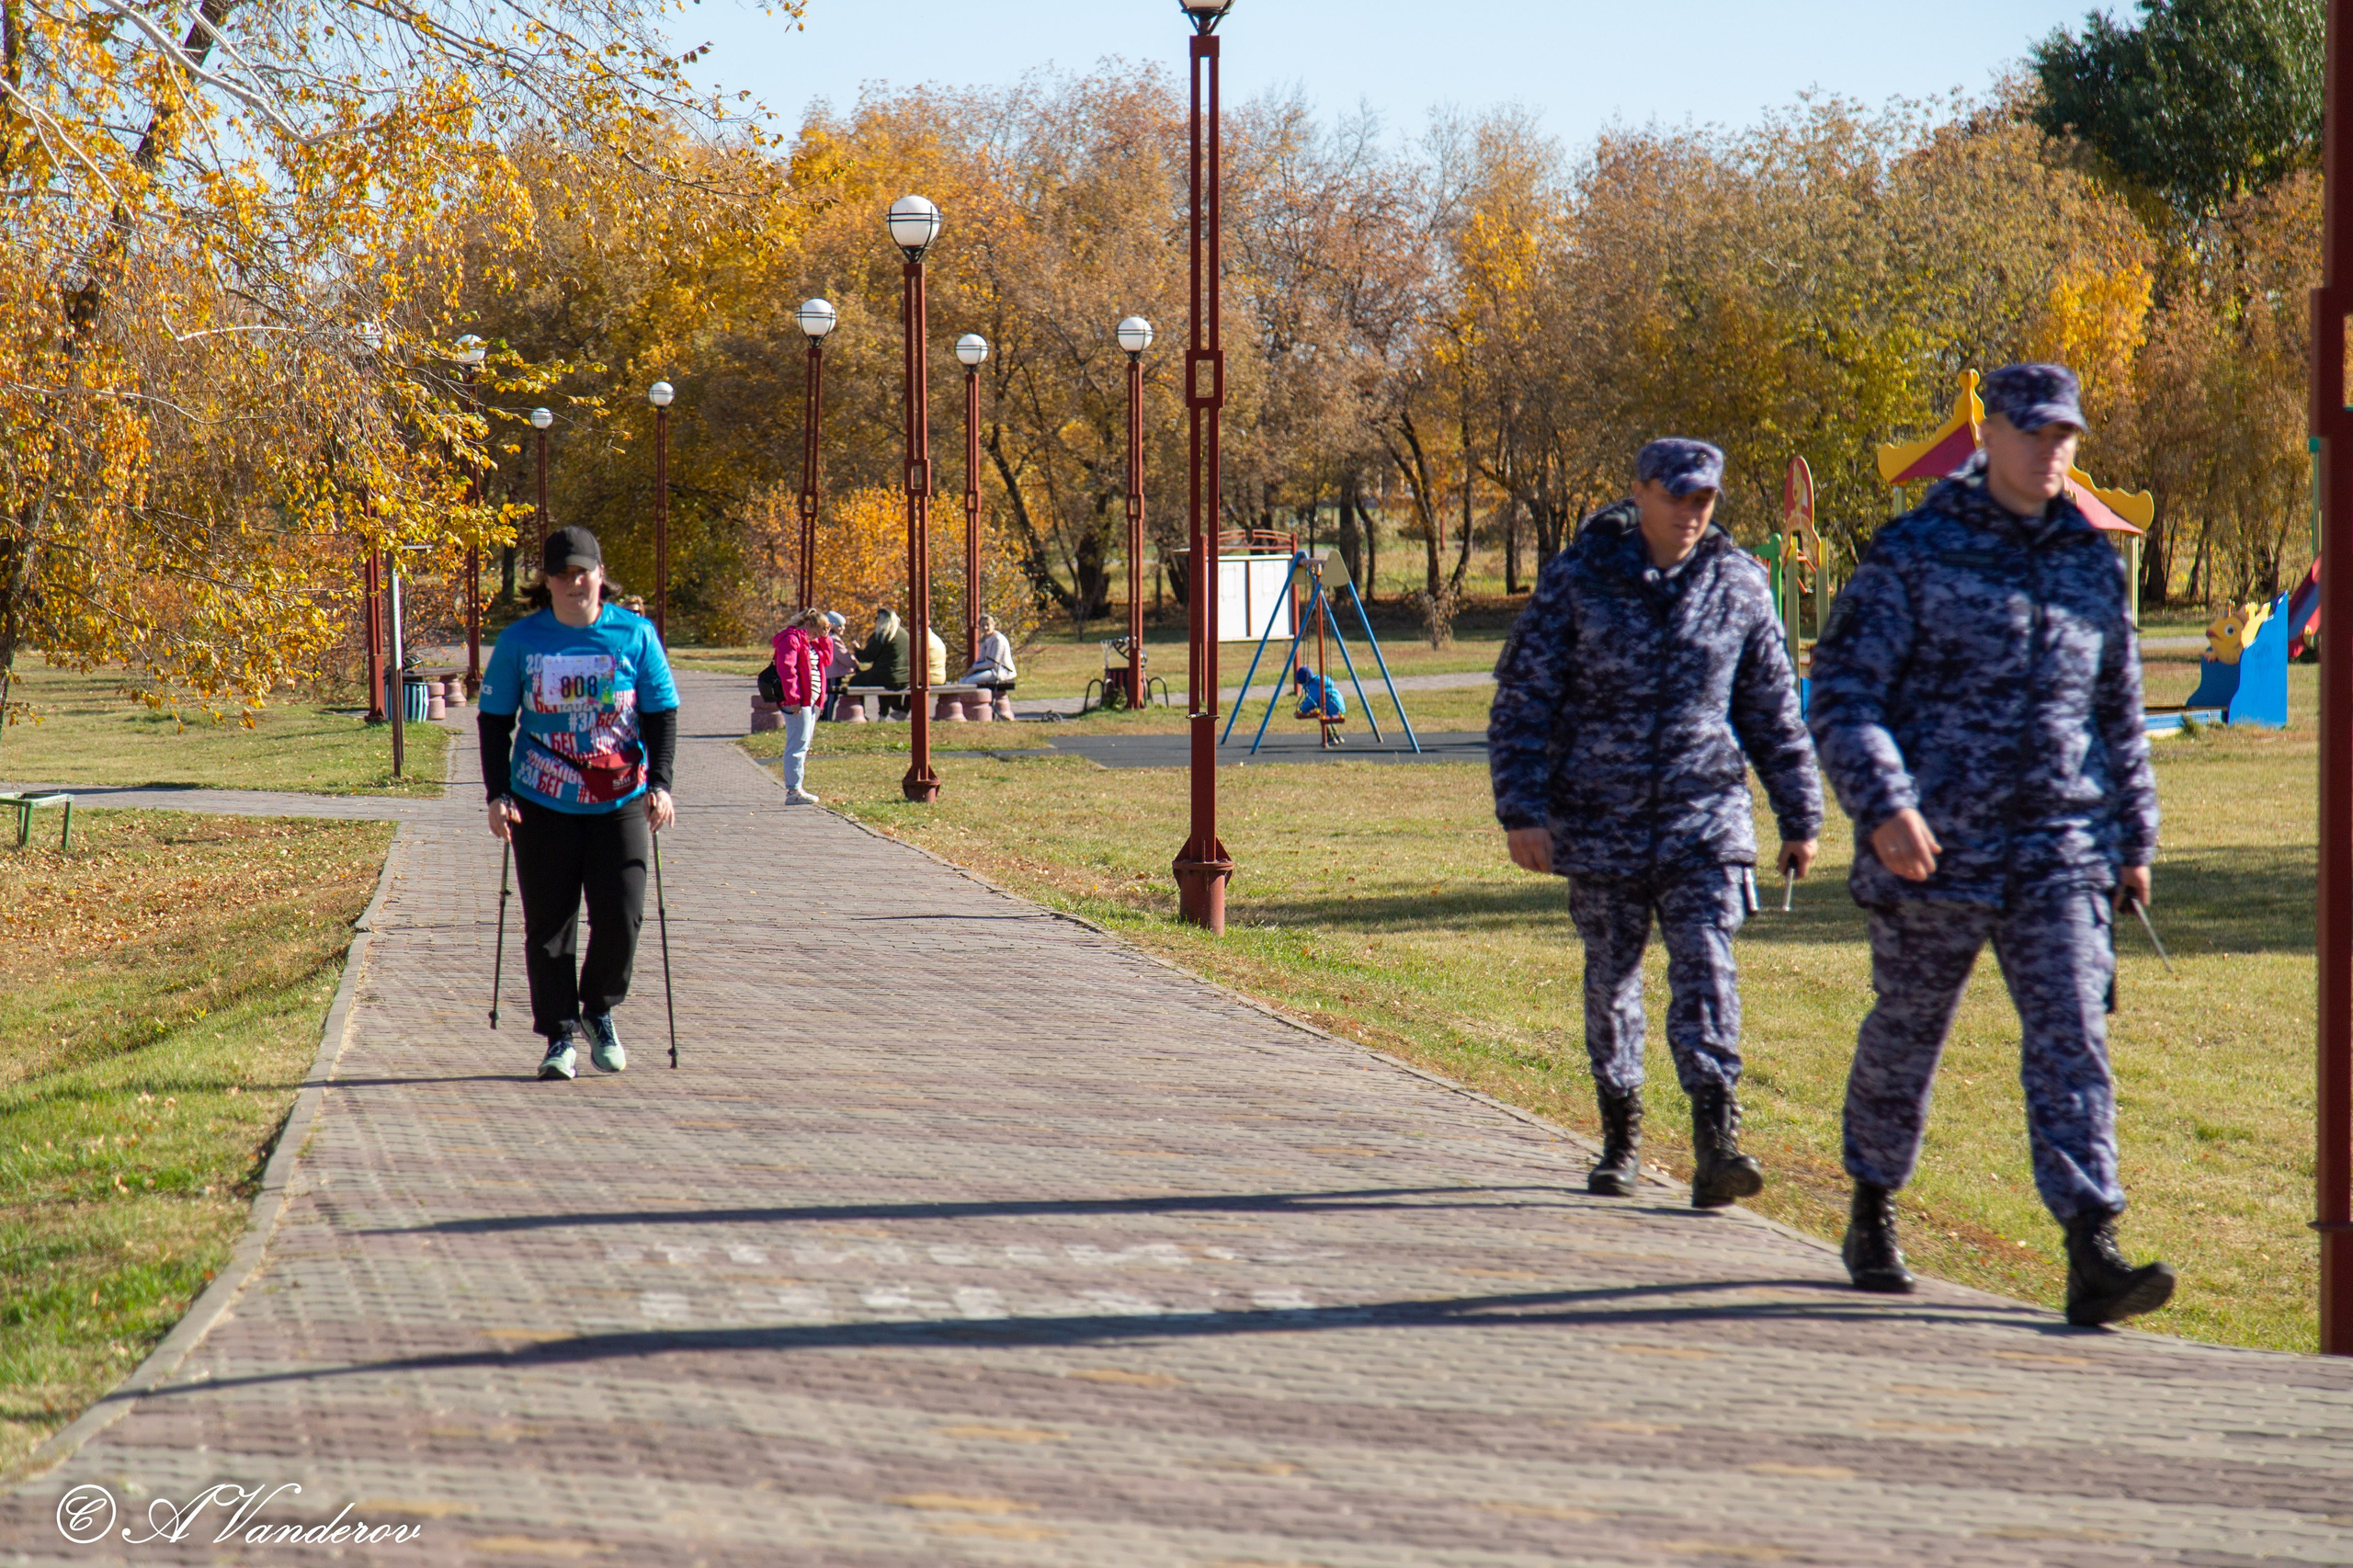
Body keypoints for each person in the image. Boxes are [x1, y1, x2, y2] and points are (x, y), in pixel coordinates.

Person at [1808, 362, 2174, 1326]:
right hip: (1933, 850)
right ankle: (1873, 1203)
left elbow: (2118, 714)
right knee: (1906, 1033)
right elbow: (1842, 694)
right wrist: (1884, 805)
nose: (2053, 452)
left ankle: (2090, 1241)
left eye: (2067, 437)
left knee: (2073, 1039)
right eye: (2036, 433)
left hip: (2060, 846)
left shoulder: (2090, 560)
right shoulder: (1915, 550)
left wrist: (2133, 836)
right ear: (1991, 436)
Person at [1490, 438, 1822, 1209]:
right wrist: (1523, 812)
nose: (1690, 513)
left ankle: (1717, 1140)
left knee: (1708, 968)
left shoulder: (1740, 586)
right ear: (1639, 492)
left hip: (1705, 820)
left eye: (1704, 500)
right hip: (1598, 817)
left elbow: (1772, 711)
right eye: (1676, 497)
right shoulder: (1580, 579)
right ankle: (1622, 1135)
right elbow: (1523, 701)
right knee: (1612, 980)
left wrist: (1800, 813)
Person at [478, 526, 679, 1082]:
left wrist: (661, 784)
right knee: (549, 925)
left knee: (623, 916)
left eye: (582, 572)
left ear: (599, 573)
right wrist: (498, 794)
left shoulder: (634, 635)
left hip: (619, 798)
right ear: (546, 581)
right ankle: (559, 1035)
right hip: (541, 800)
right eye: (562, 574)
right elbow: (494, 722)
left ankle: (599, 1009)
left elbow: (662, 714)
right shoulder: (521, 641)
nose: (574, 583)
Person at [769, 608, 826, 804]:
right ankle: (793, 791)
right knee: (797, 743)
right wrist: (793, 698)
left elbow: (826, 660)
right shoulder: (792, 639)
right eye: (817, 632)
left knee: (804, 742)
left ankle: (796, 788)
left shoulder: (809, 642)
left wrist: (824, 638)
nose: (817, 637)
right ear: (807, 625)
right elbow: (787, 670)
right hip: (798, 702)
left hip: (810, 701)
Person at [856, 607, 912, 719]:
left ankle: (859, 714)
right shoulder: (904, 634)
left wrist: (856, 649)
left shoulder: (882, 634)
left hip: (886, 676)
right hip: (905, 677)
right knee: (882, 676)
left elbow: (867, 657)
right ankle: (886, 713)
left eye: (877, 618)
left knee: (855, 682)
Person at [961, 613, 1018, 701]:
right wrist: (972, 669)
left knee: (970, 681)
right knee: (963, 680)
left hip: (1001, 671)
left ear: (993, 625)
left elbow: (993, 662)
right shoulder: (984, 640)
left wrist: (974, 668)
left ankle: (975, 703)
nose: (985, 628)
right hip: (988, 670)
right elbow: (980, 659)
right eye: (983, 625)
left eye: (987, 625)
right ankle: (965, 704)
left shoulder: (998, 639)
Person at [821, 610, 857, 720]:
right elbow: (845, 659)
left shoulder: (826, 638)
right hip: (833, 673)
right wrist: (854, 660)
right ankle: (826, 716)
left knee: (830, 696)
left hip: (827, 672)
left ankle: (825, 716)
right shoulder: (835, 641)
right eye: (840, 626)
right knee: (832, 696)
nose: (843, 629)